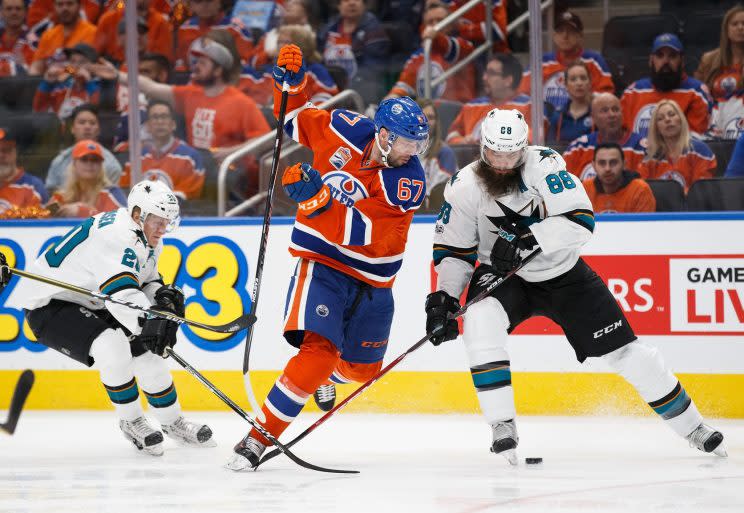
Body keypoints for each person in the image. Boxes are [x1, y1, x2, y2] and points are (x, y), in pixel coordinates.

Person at [426, 107, 726, 465]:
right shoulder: (464, 186)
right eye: (495, 154)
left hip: (564, 273)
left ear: (524, 148)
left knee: (629, 355)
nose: (504, 163)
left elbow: (581, 221)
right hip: (505, 276)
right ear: (482, 150)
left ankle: (694, 428)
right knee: (478, 321)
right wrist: (444, 297)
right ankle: (501, 425)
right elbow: (455, 249)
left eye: (511, 154)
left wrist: (528, 238)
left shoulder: (546, 166)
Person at [226, 44, 430, 471]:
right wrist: (291, 84)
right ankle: (256, 440)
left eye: (417, 143)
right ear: (385, 136)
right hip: (322, 267)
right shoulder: (344, 127)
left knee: (361, 371)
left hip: (374, 280)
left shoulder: (406, 182)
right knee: (318, 353)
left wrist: (318, 199)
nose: (414, 151)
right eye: (408, 142)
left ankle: (330, 378)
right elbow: (294, 119)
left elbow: (369, 236)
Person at [15, 180, 215, 456]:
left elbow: (145, 281)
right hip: (51, 306)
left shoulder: (147, 238)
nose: (163, 227)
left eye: (167, 221)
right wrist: (151, 322)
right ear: (137, 214)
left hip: (93, 298)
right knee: (112, 347)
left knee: (148, 355)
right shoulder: (115, 237)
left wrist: (161, 300)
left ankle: (173, 422)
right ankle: (131, 421)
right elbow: (122, 293)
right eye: (157, 219)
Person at [518, 11, 614, 112]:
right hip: (546, 121)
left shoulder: (594, 61)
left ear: (580, 36)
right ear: (554, 36)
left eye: (571, 31)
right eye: (560, 31)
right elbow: (522, 94)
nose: (565, 36)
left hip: (583, 121)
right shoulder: (541, 63)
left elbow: (606, 96)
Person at [621, 33, 712, 137]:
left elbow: (696, 140)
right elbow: (622, 137)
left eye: (672, 56)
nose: (665, 61)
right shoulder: (633, 92)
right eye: (660, 55)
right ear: (651, 61)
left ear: (682, 61)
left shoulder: (697, 92)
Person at [384, 1, 477, 103]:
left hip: (458, 110)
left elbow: (449, 48)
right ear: (424, 26)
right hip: (428, 112)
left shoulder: (464, 45)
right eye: (430, 22)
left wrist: (435, 37)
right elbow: (404, 86)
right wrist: (389, 101)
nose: (435, 25)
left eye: (440, 20)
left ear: (451, 24)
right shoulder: (418, 56)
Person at [119, 101, 205, 200]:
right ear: (148, 126)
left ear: (173, 124)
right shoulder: (137, 158)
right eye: (155, 117)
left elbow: (186, 197)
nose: (160, 122)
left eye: (164, 117)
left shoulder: (190, 157)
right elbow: (124, 192)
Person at [240, 24, 339, 106]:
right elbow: (254, 92)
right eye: (279, 42)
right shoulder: (269, 70)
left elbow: (326, 97)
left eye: (286, 42)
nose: (280, 45)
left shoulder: (314, 70)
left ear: (301, 45)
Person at [446, 53, 531, 145]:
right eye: (485, 73)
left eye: (491, 73)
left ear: (508, 80)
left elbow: (532, 138)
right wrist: (463, 141)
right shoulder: (471, 106)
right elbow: (451, 136)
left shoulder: (530, 107)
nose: (484, 78)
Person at [638, 99, 717, 192]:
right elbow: (642, 191)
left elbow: (700, 193)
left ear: (681, 120)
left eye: (672, 114)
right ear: (657, 129)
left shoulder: (700, 151)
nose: (667, 120)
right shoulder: (650, 159)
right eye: (660, 118)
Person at [563, 93, 646, 180]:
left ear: (622, 114)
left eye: (616, 109)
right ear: (593, 117)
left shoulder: (641, 148)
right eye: (605, 110)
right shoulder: (577, 148)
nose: (612, 115)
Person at [46, 104, 123, 192]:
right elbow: (51, 198)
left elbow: (114, 200)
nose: (87, 127)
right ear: (72, 128)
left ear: (98, 129)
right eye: (82, 122)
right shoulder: (59, 162)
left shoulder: (112, 165)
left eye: (92, 123)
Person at [48, 139, 127, 217]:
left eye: (95, 160)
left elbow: (122, 219)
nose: (89, 164)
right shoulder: (61, 197)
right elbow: (42, 219)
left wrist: (82, 211)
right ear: (74, 164)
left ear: (101, 165)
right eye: (84, 159)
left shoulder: (112, 192)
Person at [317, 0, 391, 82]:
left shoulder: (374, 31)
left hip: (361, 87)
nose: (352, 3)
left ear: (364, 4)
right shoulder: (328, 29)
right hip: (328, 85)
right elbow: (318, 59)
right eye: (346, 0)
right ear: (338, 5)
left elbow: (373, 69)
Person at [174, 0, 254, 71]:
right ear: (191, 5)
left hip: (227, 81)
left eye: (209, 1)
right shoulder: (185, 29)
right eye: (198, 1)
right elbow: (181, 64)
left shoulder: (237, 28)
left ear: (220, 2)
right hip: (192, 81)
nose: (204, 5)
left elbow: (244, 64)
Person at [32, 43, 101, 120]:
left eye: (82, 62)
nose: (76, 66)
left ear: (94, 66)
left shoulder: (100, 86)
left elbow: (97, 112)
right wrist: (47, 83)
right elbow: (39, 109)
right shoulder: (61, 87)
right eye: (72, 61)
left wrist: (89, 82)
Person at [28, 0, 96, 76]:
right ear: (54, 7)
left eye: (70, 4)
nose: (65, 8)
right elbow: (36, 67)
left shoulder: (92, 33)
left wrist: (63, 70)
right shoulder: (48, 36)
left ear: (79, 6)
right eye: (60, 4)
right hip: (50, 84)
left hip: (80, 84)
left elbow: (90, 69)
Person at [583, 142, 656, 213]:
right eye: (602, 163)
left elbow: (643, 224)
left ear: (624, 164)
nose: (607, 168)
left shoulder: (640, 189)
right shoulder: (585, 189)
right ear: (594, 166)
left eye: (613, 162)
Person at [94, 0, 173, 64]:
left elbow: (162, 62)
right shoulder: (108, 19)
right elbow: (95, 55)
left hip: (146, 71)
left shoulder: (161, 22)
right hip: (112, 69)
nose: (136, 36)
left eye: (141, 32)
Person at [695, 5, 744, 104]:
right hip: (715, 114)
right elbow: (698, 93)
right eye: (734, 24)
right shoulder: (709, 60)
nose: (740, 27)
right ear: (726, 30)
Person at [0, 126, 49, 216]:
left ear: (16, 153)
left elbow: (39, 227)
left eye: (6, 150)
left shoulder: (33, 187)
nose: (1, 155)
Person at [547, 61, 593, 143]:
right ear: (565, 85)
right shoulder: (558, 116)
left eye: (583, 78)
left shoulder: (598, 114)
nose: (579, 83)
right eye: (573, 79)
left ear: (590, 82)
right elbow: (551, 152)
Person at [418, 98, 457, 195]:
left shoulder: (445, 153)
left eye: (431, 117)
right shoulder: (402, 151)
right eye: (422, 117)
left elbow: (441, 194)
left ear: (436, 122)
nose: (426, 121)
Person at [0, 0, 35, 76]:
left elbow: (40, 74)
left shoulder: (34, 43)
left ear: (25, 12)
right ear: (1, 12)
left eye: (18, 9)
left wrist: (24, 66)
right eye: (9, 9)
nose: (14, 13)